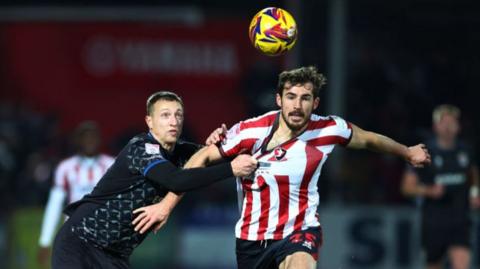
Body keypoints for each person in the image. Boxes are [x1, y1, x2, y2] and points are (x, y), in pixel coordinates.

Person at [134, 66, 431, 269]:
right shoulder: (249, 132)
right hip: (252, 240)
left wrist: (407, 152)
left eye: (305, 98)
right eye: (290, 97)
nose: (297, 105)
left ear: (315, 103)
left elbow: (367, 140)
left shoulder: (328, 129)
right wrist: (166, 206)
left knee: (301, 261)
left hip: (300, 232)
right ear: (279, 99)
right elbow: (201, 159)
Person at [51, 91, 258, 269]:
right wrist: (231, 169)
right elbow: (176, 181)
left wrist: (222, 141)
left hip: (115, 254)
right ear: (149, 121)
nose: (174, 121)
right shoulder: (140, 148)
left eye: (178, 115)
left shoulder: (180, 152)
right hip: (81, 241)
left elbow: (212, 157)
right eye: (165, 115)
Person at [401, 104, 480, 269]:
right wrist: (428, 191)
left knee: (461, 263)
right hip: (433, 222)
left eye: (453, 122)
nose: (449, 127)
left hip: (460, 220)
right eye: (444, 122)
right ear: (435, 126)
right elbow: (407, 187)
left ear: (458, 126)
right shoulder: (424, 152)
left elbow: (473, 174)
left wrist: (474, 193)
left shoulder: (465, 151)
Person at [37, 121, 115, 267]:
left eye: (93, 137)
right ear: (78, 140)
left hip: (103, 234)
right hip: (73, 233)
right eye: (85, 137)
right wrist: (45, 241)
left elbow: (121, 201)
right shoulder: (65, 168)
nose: (90, 141)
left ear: (99, 139)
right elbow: (54, 205)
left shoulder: (111, 165)